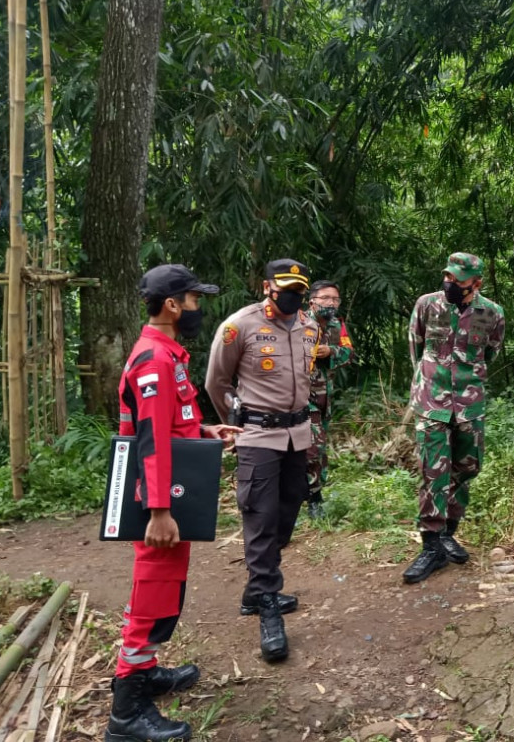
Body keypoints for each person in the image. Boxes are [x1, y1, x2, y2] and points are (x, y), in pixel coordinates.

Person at [106, 265, 240, 742]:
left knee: (166, 591)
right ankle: (127, 711)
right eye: (193, 299)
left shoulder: (168, 354)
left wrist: (203, 431)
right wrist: (159, 511)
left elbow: (170, 423)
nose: (197, 308)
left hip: (170, 492)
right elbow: (150, 439)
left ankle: (146, 672)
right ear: (172, 305)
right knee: (152, 595)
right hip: (157, 500)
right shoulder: (155, 361)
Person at [205, 259, 317, 663]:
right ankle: (268, 607)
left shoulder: (309, 326)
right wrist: (236, 427)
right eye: (286, 288)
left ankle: (257, 590)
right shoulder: (239, 326)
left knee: (286, 513)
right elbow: (216, 383)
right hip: (258, 436)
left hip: (297, 435)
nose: (294, 296)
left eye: (299, 289)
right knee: (261, 518)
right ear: (267, 286)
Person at [403, 252, 505, 583]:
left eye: (458, 280)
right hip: (431, 400)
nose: (450, 283)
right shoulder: (427, 305)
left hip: (469, 402)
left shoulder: (492, 312)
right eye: (447, 276)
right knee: (433, 470)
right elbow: (415, 347)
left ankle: (448, 531)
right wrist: (426, 383)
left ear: (476, 283)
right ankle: (431, 545)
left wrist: (465, 377)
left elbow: (490, 351)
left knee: (467, 467)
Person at [302, 280, 355, 520]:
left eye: (335, 299)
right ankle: (314, 500)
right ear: (312, 301)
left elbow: (349, 353)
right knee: (312, 447)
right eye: (325, 298)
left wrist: (331, 351)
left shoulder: (337, 325)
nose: (331, 303)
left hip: (326, 396)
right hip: (302, 396)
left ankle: (311, 491)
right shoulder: (298, 322)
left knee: (320, 447)